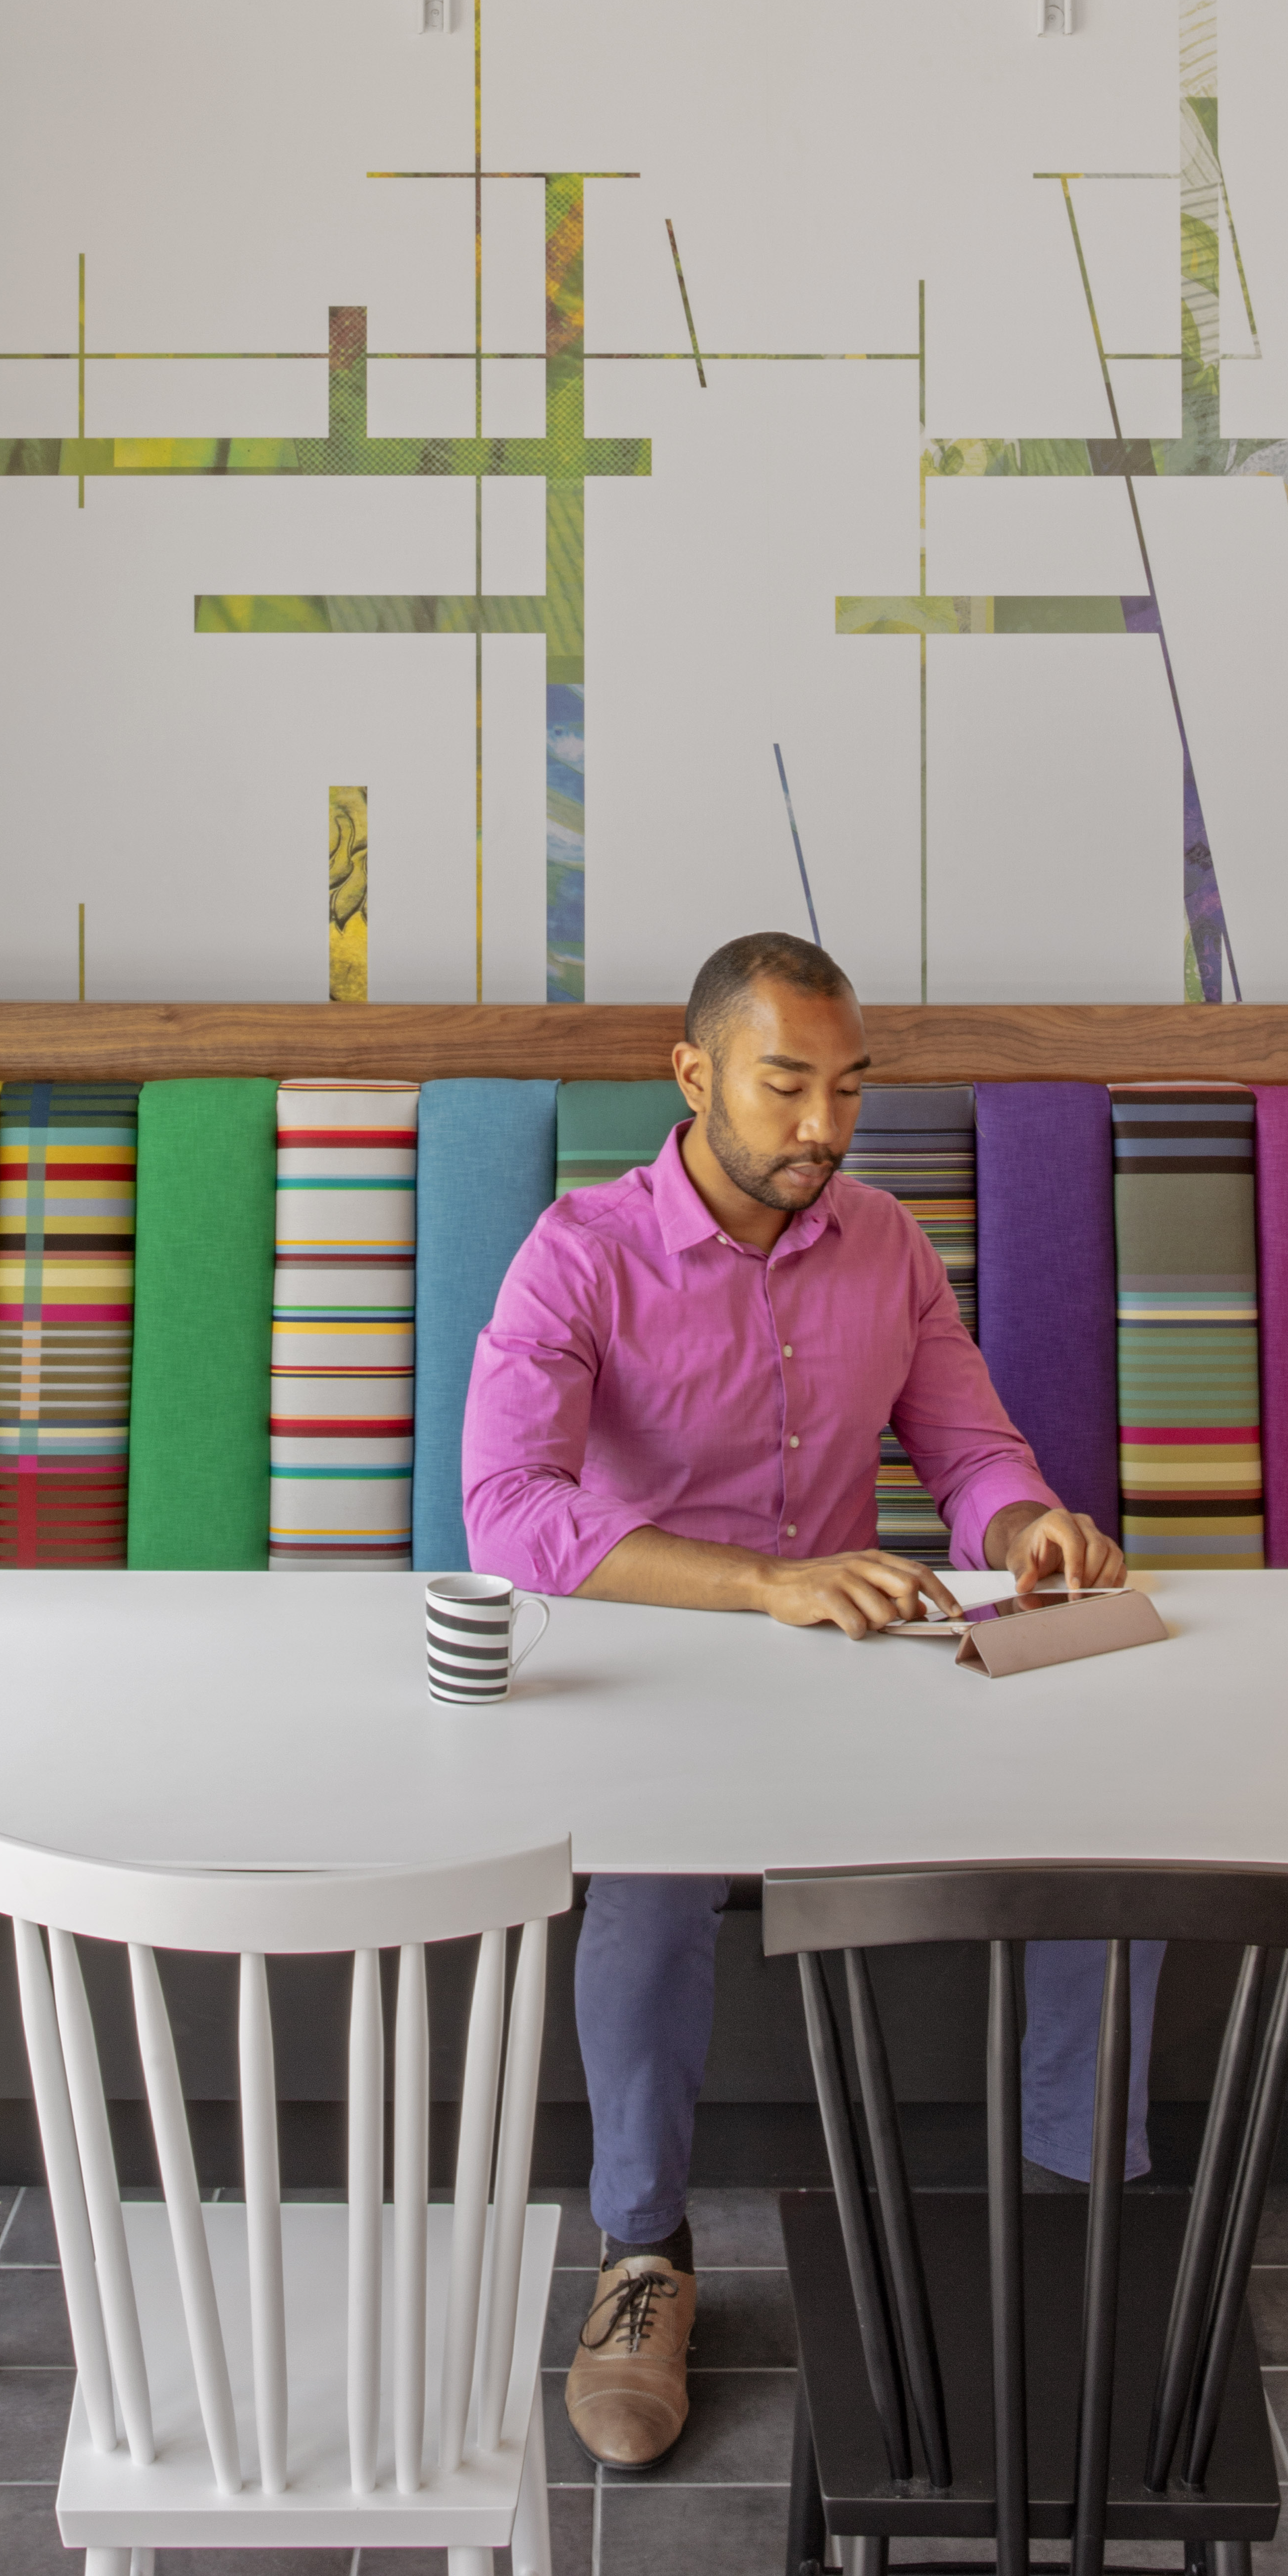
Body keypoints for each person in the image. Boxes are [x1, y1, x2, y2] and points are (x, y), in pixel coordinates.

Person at [460, 930, 1164, 2472]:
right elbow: (507, 1513)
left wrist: (1022, 1528)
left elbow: (971, 1454)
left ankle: (1074, 2227)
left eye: (847, 1089)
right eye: (787, 1085)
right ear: (695, 1074)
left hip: (856, 1672)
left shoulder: (889, 1247)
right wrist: (756, 1582)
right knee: (641, 1892)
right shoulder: (579, 1254)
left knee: (1110, 1835)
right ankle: (640, 2261)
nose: (824, 1127)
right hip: (664, 1671)